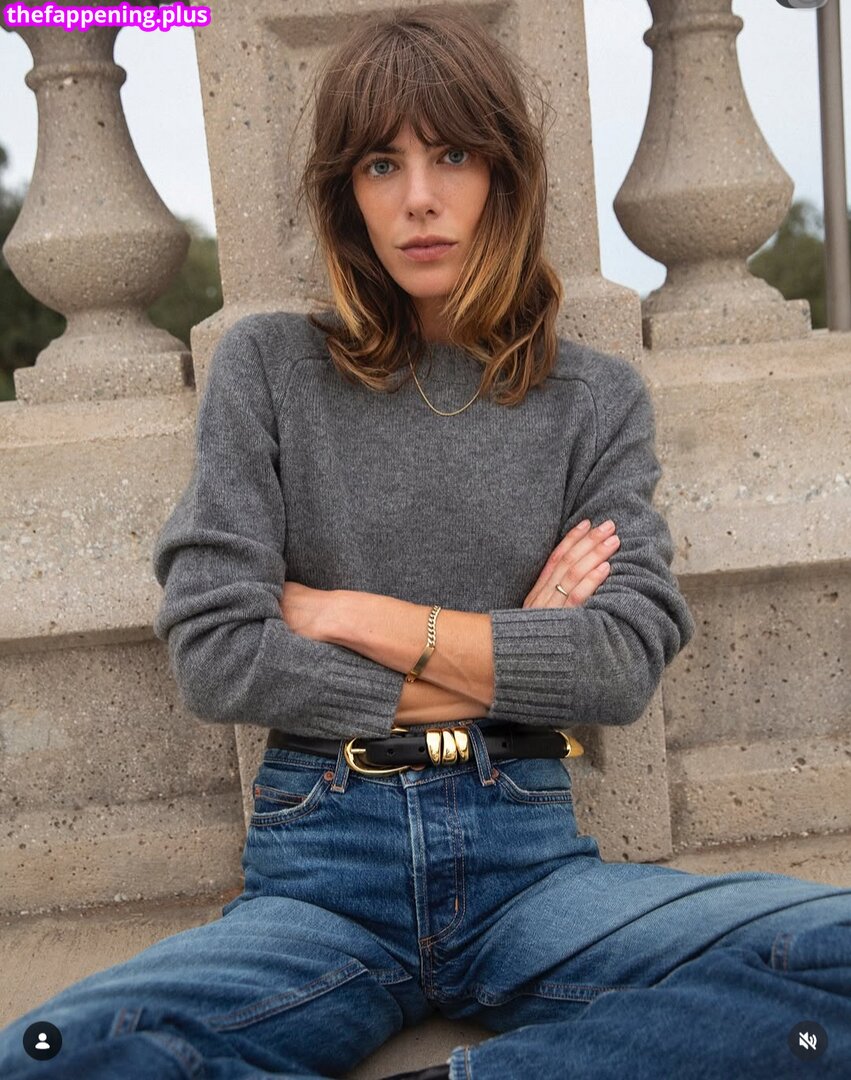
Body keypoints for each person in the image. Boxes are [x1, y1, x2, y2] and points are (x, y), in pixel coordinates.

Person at [1, 6, 849, 1079]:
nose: (417, 199)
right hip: (322, 871)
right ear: (344, 195)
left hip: (529, 866)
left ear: (504, 175)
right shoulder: (267, 370)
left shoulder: (592, 399)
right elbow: (217, 653)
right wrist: (509, 659)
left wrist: (344, 613)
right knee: (51, 1055)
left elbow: (619, 661)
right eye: (379, 164)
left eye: (451, 156)